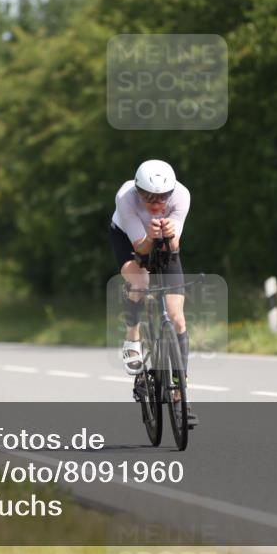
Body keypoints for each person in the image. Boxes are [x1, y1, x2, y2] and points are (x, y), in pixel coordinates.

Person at [110, 159, 197, 427]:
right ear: (138, 192)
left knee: (177, 318)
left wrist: (169, 236)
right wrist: (150, 237)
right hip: (129, 238)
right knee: (140, 282)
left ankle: (179, 390)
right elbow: (141, 248)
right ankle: (132, 339)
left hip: (164, 242)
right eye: (149, 197)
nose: (158, 203)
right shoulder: (126, 197)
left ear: (172, 192)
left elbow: (174, 246)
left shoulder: (181, 196)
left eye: (163, 197)